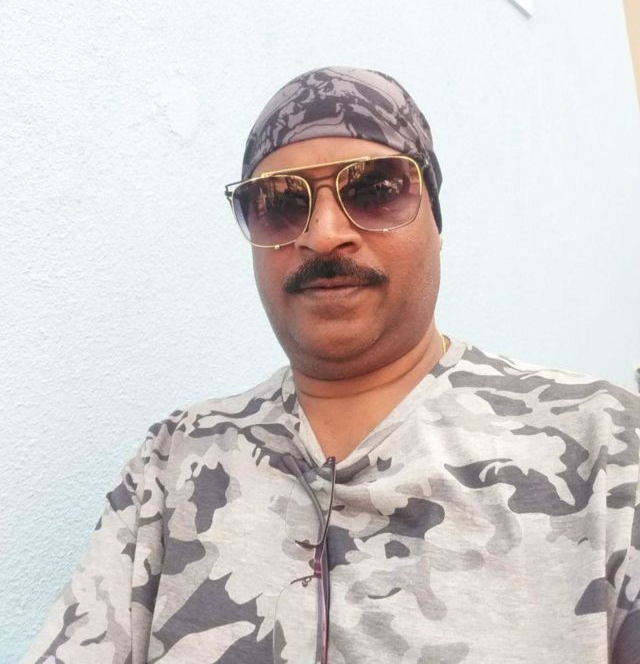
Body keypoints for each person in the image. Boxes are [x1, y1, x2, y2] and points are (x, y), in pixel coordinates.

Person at [25, 67, 640, 664]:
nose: (323, 234)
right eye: (279, 202)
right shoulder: (175, 461)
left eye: (374, 190)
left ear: (437, 221)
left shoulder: (606, 444)